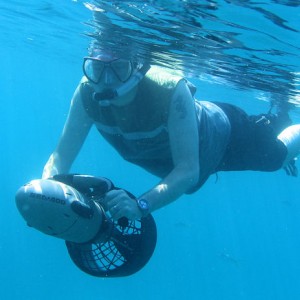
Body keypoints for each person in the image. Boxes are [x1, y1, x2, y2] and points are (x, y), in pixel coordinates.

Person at [42, 44, 300, 221]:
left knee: (277, 158)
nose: (108, 82)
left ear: (137, 66)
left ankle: (278, 117)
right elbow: (61, 154)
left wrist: (141, 205)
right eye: (98, 69)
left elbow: (187, 172)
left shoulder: (169, 90)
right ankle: (274, 119)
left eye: (119, 69)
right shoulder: (87, 92)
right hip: (189, 159)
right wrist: (46, 189)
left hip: (227, 136)